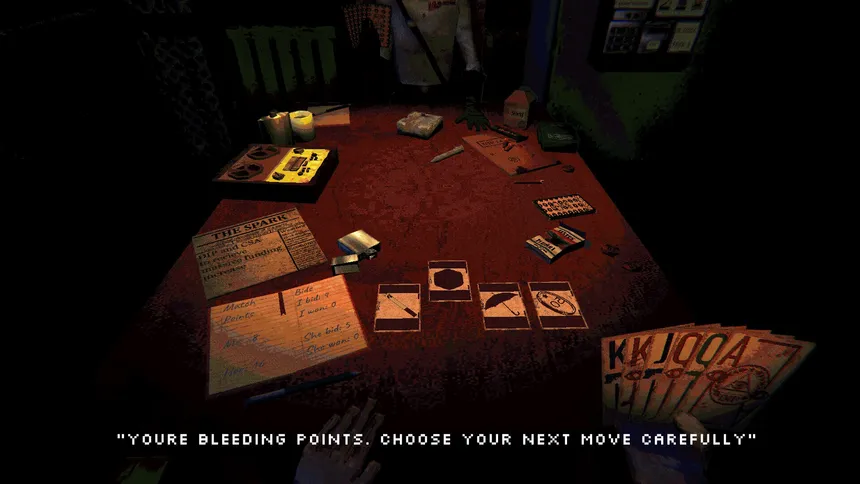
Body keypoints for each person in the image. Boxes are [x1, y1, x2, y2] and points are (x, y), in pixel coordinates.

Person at [361, 0, 490, 130]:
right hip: (403, 94)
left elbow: (468, 45)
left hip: (442, 94)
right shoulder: (389, 2)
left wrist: (472, 103)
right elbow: (383, 51)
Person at [293, 398, 385, 484]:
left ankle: (367, 415)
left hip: (331, 464)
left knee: (351, 441)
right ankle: (366, 415)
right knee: (353, 442)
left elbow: (307, 454)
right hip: (336, 467)